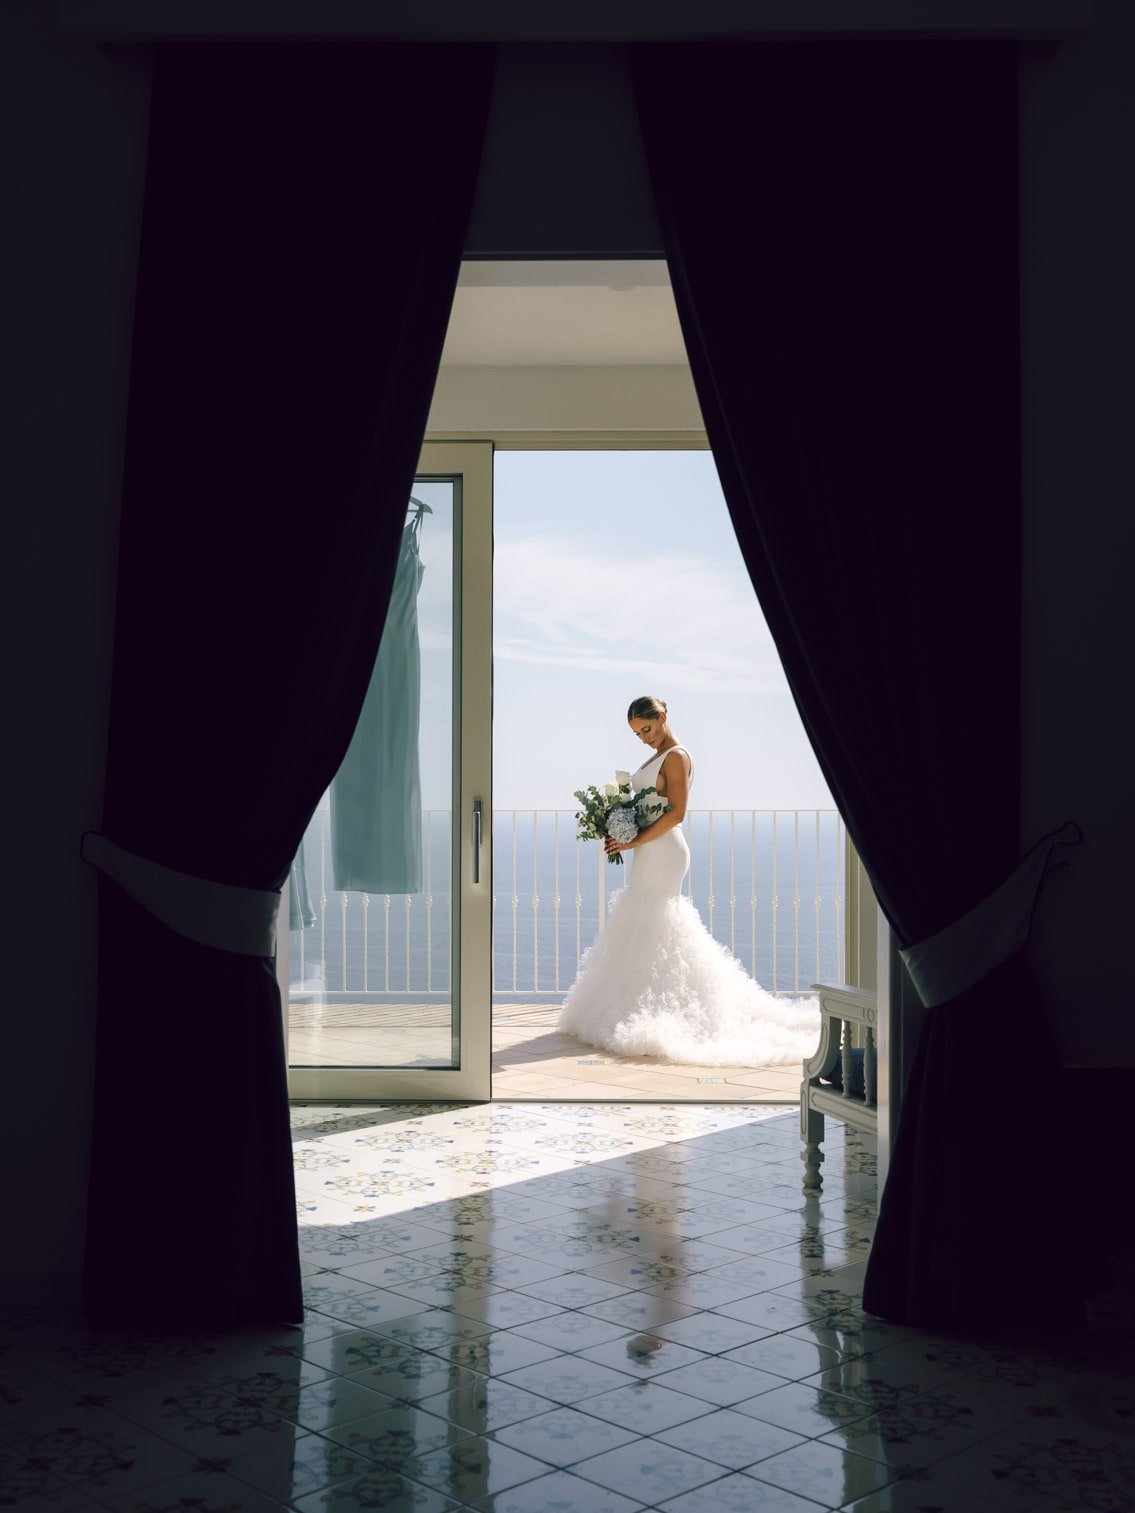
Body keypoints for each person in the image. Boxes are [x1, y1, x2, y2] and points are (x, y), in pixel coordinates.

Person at [558, 695, 820, 1066]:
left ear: (663, 717)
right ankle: (640, 1003)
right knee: (644, 924)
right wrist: (621, 827)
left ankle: (675, 1010)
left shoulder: (677, 756)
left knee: (661, 921)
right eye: (637, 733)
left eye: (647, 729)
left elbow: (677, 814)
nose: (644, 738)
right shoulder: (656, 756)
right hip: (649, 848)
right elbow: (650, 807)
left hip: (665, 850)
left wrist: (633, 839)